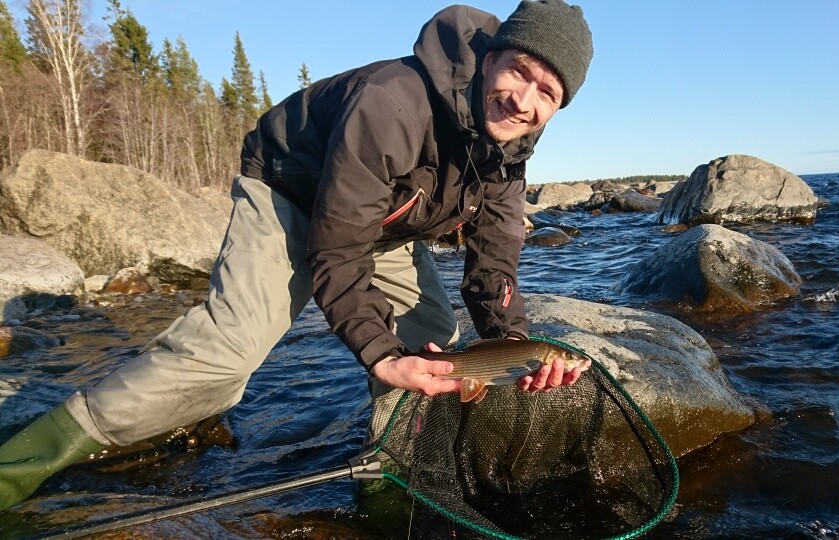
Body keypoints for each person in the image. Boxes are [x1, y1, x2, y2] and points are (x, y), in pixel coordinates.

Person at [0, 0, 593, 511]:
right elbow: (336, 245)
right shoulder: (392, 102)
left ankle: (387, 468)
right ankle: (21, 466)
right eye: (520, 72)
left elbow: (494, 268)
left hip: (378, 221)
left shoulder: (507, 157)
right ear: (492, 56)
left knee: (432, 333)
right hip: (292, 195)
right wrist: (380, 355)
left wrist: (515, 344)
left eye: (548, 93)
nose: (524, 101)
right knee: (224, 357)